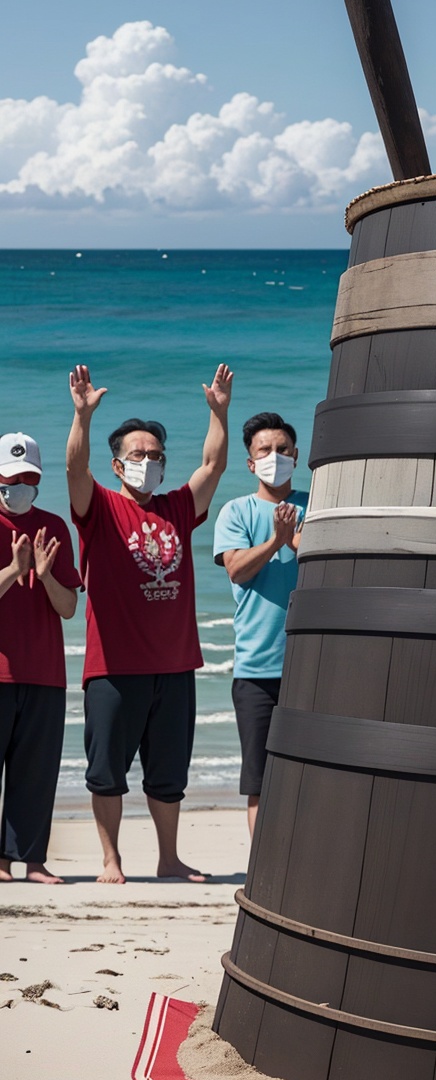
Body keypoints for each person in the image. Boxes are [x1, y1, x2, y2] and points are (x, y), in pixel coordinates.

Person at [66, 362, 233, 884]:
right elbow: (74, 471)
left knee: (168, 775)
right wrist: (82, 420)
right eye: (138, 455)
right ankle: (111, 859)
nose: (148, 462)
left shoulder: (178, 507)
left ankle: (169, 858)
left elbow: (213, 465)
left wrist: (220, 415)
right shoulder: (101, 508)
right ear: (117, 466)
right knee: (107, 772)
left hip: (175, 665)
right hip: (114, 668)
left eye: (156, 456)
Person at [213, 412, 307, 837]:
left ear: (297, 455)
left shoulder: (317, 506)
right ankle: (263, 869)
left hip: (313, 666)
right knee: (261, 780)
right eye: (264, 451)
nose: (275, 457)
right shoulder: (237, 511)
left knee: (310, 773)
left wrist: (294, 537)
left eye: (282, 450)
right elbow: (236, 570)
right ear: (250, 463)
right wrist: (276, 541)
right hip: (257, 670)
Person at [0, 434, 81, 884]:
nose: (19, 488)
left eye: (29, 480)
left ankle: (31, 861)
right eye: (11, 480)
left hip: (46, 672)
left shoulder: (54, 527)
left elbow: (68, 608)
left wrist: (46, 576)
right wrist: (14, 570)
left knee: (35, 773)